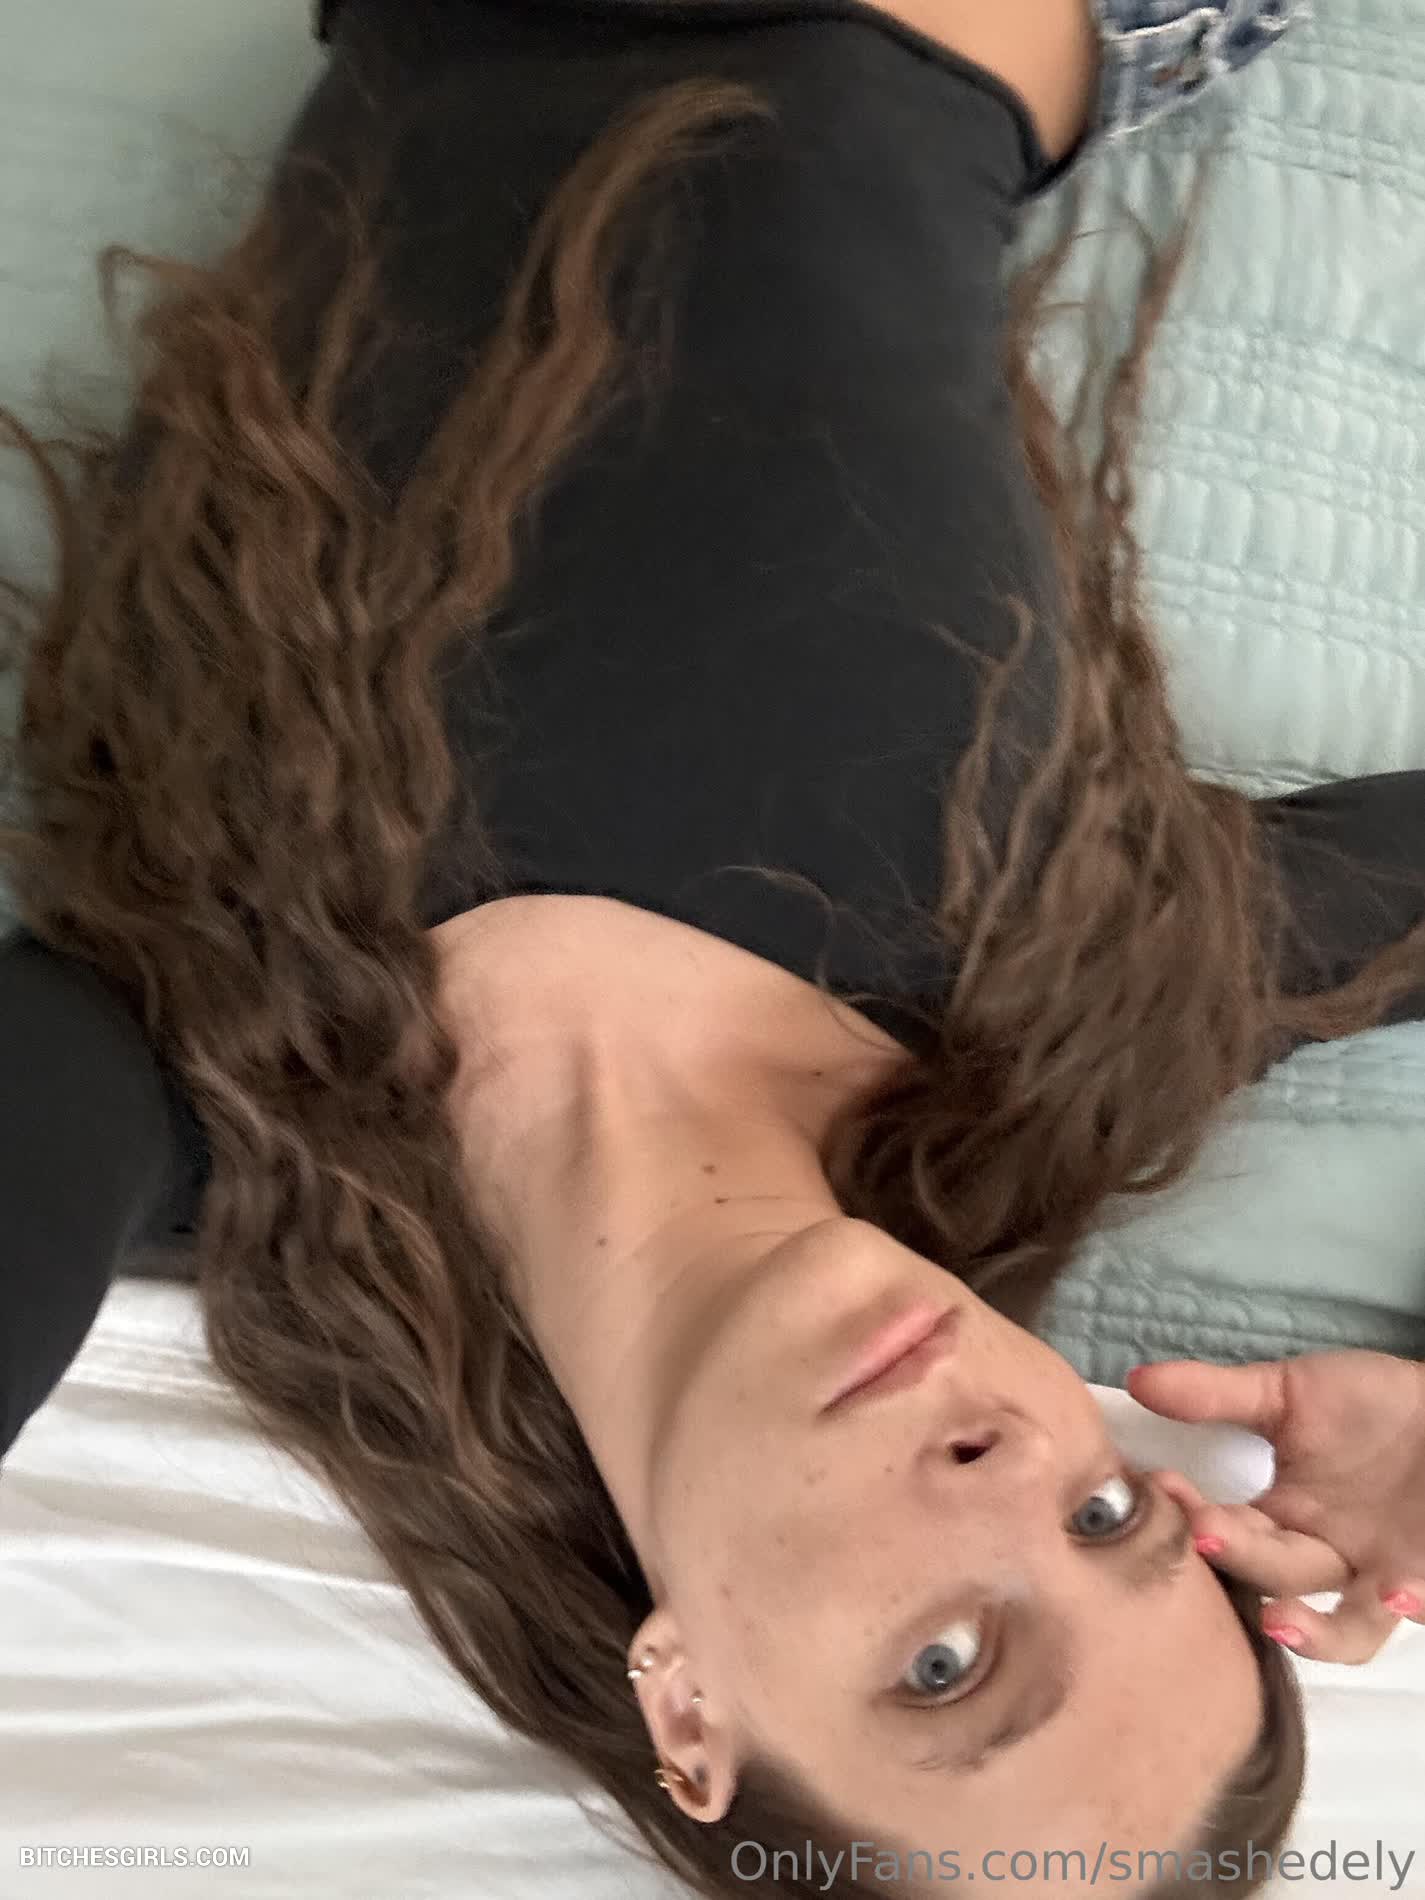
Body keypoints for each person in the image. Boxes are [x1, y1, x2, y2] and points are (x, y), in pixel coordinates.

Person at [2, 1, 1424, 1893]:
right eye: (1107, 1519)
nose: (1008, 1467)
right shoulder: (1056, 1028)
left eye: (945, 1664)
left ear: (688, 1714)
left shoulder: (214, 1106)